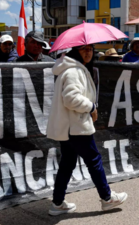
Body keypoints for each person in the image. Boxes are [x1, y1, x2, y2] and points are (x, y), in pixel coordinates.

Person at [46, 45, 127, 216]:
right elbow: (70, 99)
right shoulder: (74, 71)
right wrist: (91, 107)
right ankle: (107, 198)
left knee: (67, 164)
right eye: (83, 49)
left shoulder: (72, 69)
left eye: (90, 48)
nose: (88, 52)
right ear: (75, 51)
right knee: (94, 160)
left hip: (69, 127)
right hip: (76, 127)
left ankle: (57, 203)